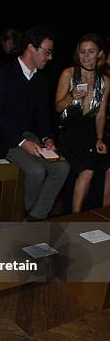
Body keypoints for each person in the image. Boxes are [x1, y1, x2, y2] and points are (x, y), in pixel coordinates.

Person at [0, 25, 70, 221]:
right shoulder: (4, 75)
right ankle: (28, 211)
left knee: (62, 167)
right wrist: (22, 143)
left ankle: (35, 217)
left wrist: (47, 138)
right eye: (47, 51)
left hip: (27, 135)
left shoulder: (40, 80)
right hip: (3, 139)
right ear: (31, 48)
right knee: (36, 170)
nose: (50, 57)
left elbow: (42, 117)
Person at [55, 33, 110, 212]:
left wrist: (100, 138)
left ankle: (103, 215)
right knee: (88, 169)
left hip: (90, 131)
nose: (86, 56)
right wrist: (72, 96)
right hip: (69, 130)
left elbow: (101, 115)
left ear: (99, 53)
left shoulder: (105, 81)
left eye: (90, 52)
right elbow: (57, 107)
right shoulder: (69, 73)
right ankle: (76, 217)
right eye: (82, 52)